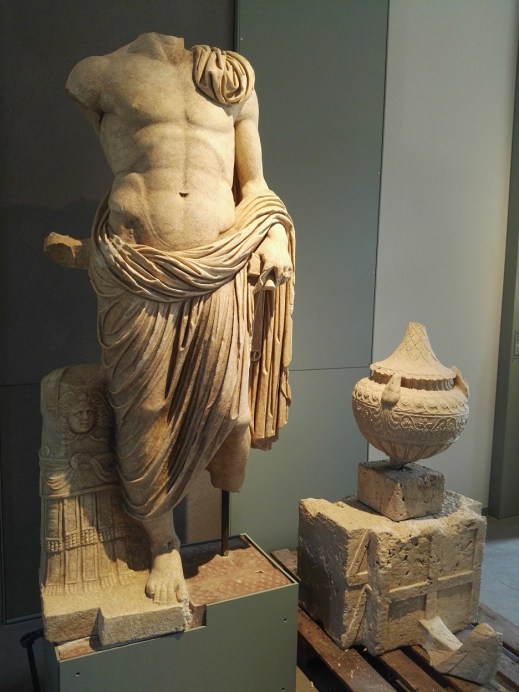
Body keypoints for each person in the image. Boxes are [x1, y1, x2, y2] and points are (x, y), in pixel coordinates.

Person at [45, 33, 294, 607]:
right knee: (144, 414)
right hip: (137, 270)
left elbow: (255, 185)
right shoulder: (98, 74)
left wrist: (275, 236)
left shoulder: (231, 78)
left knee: (231, 410)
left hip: (220, 266)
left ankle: (201, 515)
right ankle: (163, 543)